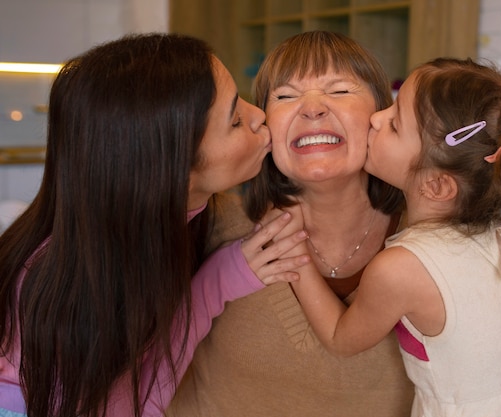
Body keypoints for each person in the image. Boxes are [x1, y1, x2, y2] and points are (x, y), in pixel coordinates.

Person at [167, 31, 501, 417]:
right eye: (284, 96)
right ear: (263, 125)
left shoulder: (445, 236)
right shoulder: (216, 219)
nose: (312, 107)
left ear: (378, 113)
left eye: (339, 90)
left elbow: (489, 325)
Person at [0, 33, 310, 417]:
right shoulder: (67, 300)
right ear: (173, 172)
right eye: (233, 120)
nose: (258, 114)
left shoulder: (151, 221)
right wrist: (221, 280)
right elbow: (137, 402)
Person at [285, 58, 501, 416]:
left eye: (395, 124)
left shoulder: (400, 268)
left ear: (436, 184)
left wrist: (295, 245)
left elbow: (341, 338)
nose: (375, 118)